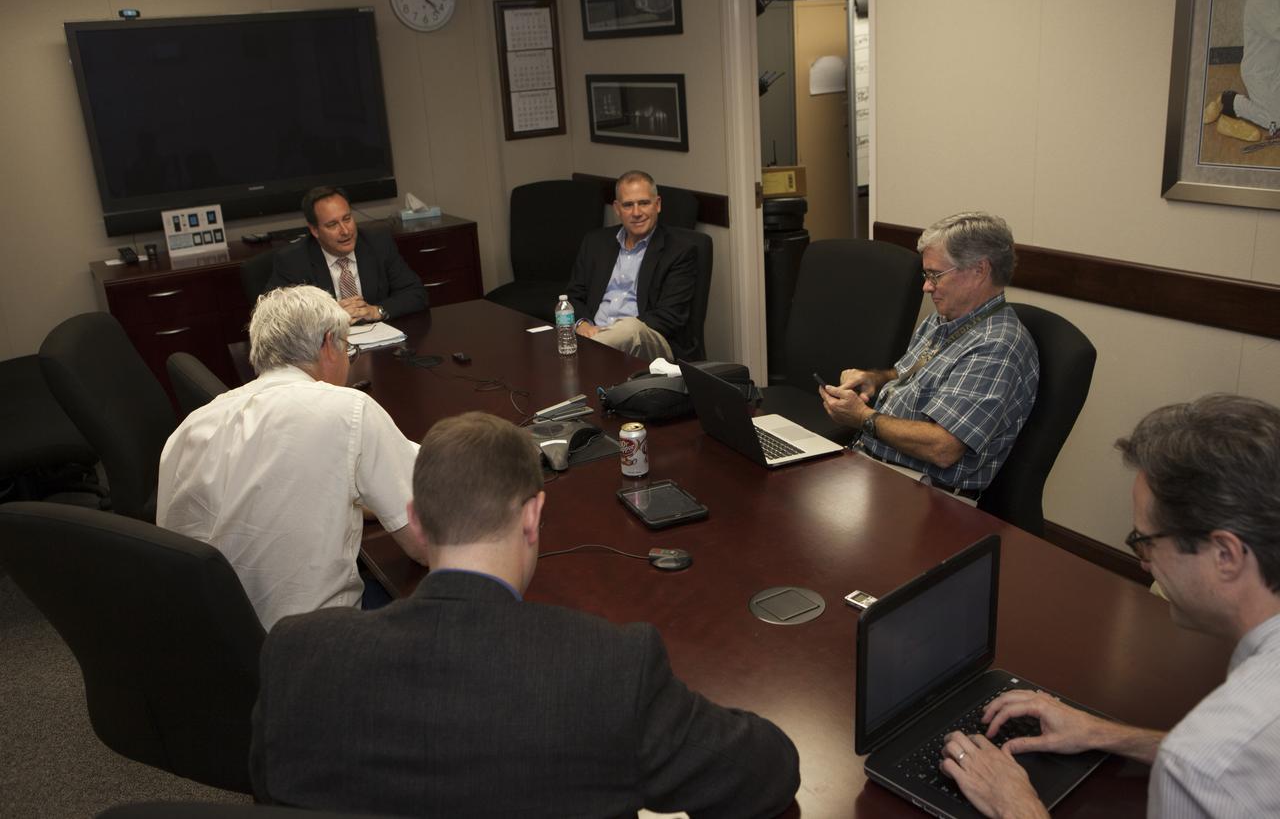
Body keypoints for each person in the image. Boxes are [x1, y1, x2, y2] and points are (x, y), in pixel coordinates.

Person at [250, 411, 801, 818]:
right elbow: (766, 773)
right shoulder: (608, 668)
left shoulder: (296, 654)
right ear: (534, 516)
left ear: (416, 522)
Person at [939, 395, 1280, 819]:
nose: (1143, 561)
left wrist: (1016, 806)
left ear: (1226, 555)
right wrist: (1111, 735)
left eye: (1146, 540)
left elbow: (1212, 765)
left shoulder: (1201, 762)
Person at [157, 285, 427, 630]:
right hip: (312, 642)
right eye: (349, 347)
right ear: (329, 344)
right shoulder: (348, 410)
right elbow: (424, 545)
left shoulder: (190, 427)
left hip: (214, 644)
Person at [819, 211, 1039, 499]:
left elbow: (944, 447)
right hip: (877, 465)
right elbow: (910, 374)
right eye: (927, 275)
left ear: (979, 271)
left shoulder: (997, 345)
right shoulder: (946, 318)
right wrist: (874, 378)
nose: (926, 286)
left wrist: (862, 418)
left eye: (935, 275)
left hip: (926, 493)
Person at [566, 169, 699, 361]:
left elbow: (670, 316)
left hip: (651, 340)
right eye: (628, 205)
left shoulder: (679, 251)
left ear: (657, 204)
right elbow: (573, 295)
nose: (637, 213)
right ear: (617, 208)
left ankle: (585, 355)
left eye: (644, 203)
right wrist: (583, 325)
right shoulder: (595, 243)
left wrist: (612, 333)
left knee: (630, 328)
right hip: (593, 334)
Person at [265, 185, 428, 322]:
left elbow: (415, 293)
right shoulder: (293, 260)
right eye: (332, 225)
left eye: (347, 219)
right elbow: (273, 317)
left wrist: (376, 311)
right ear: (314, 230)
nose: (345, 231)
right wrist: (330, 317)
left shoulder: (378, 243)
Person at [1204, 0, 1280, 141]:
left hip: (1276, 69)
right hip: (1259, 72)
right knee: (1275, 122)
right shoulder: (1259, 2)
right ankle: (1230, 101)